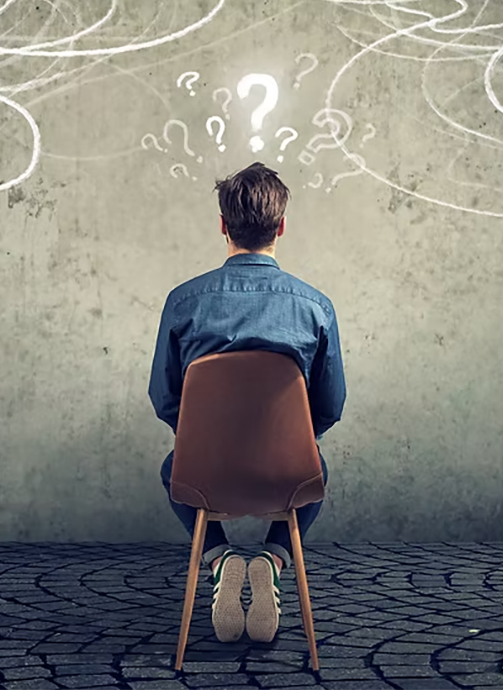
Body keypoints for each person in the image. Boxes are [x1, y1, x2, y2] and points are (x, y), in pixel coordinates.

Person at [149, 161, 346, 644]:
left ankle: (220, 559)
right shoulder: (315, 306)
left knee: (170, 470)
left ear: (222, 225)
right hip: (287, 470)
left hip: (204, 471)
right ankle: (274, 559)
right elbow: (331, 404)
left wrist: (204, 439)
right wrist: (290, 439)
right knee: (316, 471)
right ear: (281, 226)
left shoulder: (183, 302)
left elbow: (164, 397)